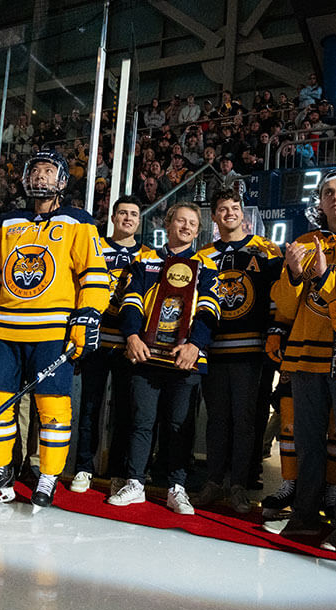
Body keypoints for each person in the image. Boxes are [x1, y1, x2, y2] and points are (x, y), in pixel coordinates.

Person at [0, 149, 110, 508]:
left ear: (61, 180)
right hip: (4, 329)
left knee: (52, 405)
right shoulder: (9, 222)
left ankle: (47, 475)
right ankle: (0, 471)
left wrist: (88, 314)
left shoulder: (78, 221)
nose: (40, 177)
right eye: (35, 171)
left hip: (51, 329)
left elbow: (94, 273)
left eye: (48, 171)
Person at [264, 171, 336, 552]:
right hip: (305, 356)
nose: (335, 197)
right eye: (328, 192)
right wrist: (295, 275)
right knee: (308, 442)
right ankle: (304, 516)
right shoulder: (301, 241)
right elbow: (285, 304)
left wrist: (326, 275)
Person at [111, 202, 219, 515]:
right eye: (181, 221)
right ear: (167, 224)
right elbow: (130, 302)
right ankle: (135, 482)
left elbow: (210, 310)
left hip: (185, 359)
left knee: (179, 426)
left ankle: (177, 486)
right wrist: (131, 335)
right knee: (141, 422)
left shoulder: (207, 266)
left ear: (198, 232)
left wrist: (196, 345)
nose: (186, 227)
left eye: (193, 224)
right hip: (146, 357)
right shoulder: (144, 260)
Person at [194, 189, 282, 513]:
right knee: (217, 419)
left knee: (245, 420)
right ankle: (214, 480)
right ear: (214, 216)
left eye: (234, 208)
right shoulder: (203, 255)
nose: (228, 213)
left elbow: (276, 297)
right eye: (222, 209)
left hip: (250, 349)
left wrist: (274, 335)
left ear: (243, 213)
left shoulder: (266, 250)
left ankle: (239, 485)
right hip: (215, 350)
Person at [70, 196, 152, 493]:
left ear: (139, 221)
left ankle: (118, 470)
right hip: (95, 340)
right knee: (90, 407)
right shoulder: (96, 247)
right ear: (113, 218)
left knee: (124, 411)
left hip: (129, 344)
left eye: (133, 214)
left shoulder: (148, 255)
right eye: (122, 213)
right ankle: (82, 467)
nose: (128, 218)